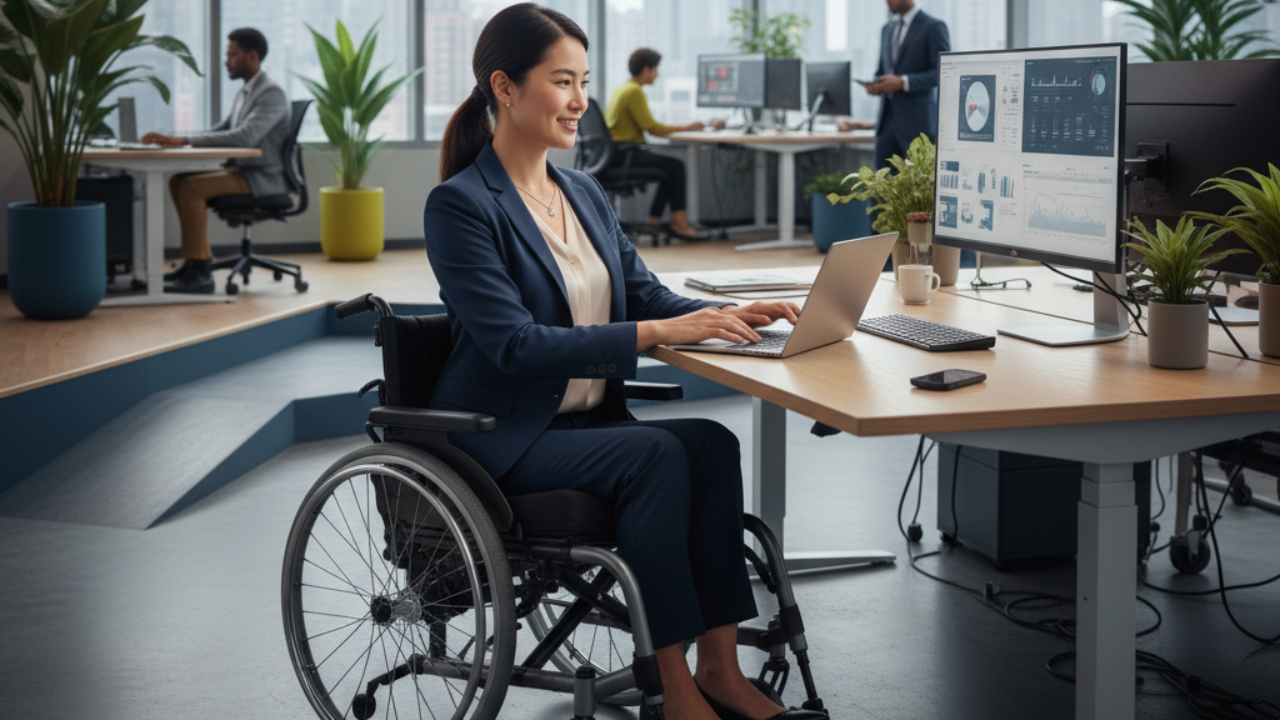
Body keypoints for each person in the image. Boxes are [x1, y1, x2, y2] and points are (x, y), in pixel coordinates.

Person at [425, 5, 821, 720]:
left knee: (709, 443)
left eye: (585, 82)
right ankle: (672, 692)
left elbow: (642, 294)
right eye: (562, 82)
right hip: (504, 438)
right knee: (654, 458)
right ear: (505, 88)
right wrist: (649, 333)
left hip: (582, 427)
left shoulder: (582, 192)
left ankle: (720, 671)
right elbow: (513, 345)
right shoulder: (460, 207)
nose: (581, 102)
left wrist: (727, 318)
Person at [141, 28, 290, 293]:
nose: (227, 61)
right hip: (243, 172)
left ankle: (201, 271)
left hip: (261, 178)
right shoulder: (246, 92)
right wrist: (176, 137)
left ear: (252, 56)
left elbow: (245, 137)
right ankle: (193, 264)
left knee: (192, 187)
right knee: (179, 180)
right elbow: (219, 130)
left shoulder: (271, 93)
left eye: (233, 55)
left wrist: (184, 142)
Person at [605, 47, 722, 240]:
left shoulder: (623, 88)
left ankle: (655, 220)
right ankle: (679, 224)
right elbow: (652, 128)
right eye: (656, 69)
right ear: (646, 70)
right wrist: (687, 128)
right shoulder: (634, 91)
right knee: (676, 166)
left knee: (669, 170)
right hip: (625, 154)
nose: (657, 74)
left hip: (616, 153)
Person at [841, 0, 949, 168]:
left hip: (917, 126)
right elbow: (882, 70)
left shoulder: (933, 27)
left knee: (916, 190)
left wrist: (903, 82)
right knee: (882, 188)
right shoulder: (887, 29)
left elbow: (942, 72)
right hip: (886, 125)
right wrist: (877, 84)